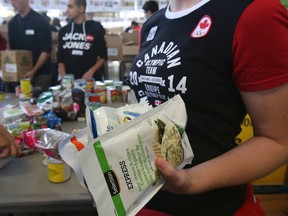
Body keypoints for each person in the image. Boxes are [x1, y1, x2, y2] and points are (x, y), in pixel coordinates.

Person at [129, 0, 288, 215]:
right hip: (142, 200)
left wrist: (192, 180)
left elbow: (278, 140)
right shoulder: (153, 23)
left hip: (212, 206)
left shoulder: (254, 13)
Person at [57, 0, 107, 81]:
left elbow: (103, 56)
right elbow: (60, 57)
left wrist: (92, 71)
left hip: (89, 81)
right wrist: (63, 76)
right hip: (69, 81)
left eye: (70, 7)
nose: (67, 10)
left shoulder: (95, 30)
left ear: (81, 9)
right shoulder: (64, 31)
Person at [8, 0, 52, 92]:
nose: (13, 3)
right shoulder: (12, 24)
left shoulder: (40, 21)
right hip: (21, 75)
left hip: (40, 74)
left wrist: (33, 71)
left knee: (39, 103)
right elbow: (13, 51)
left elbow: (46, 50)